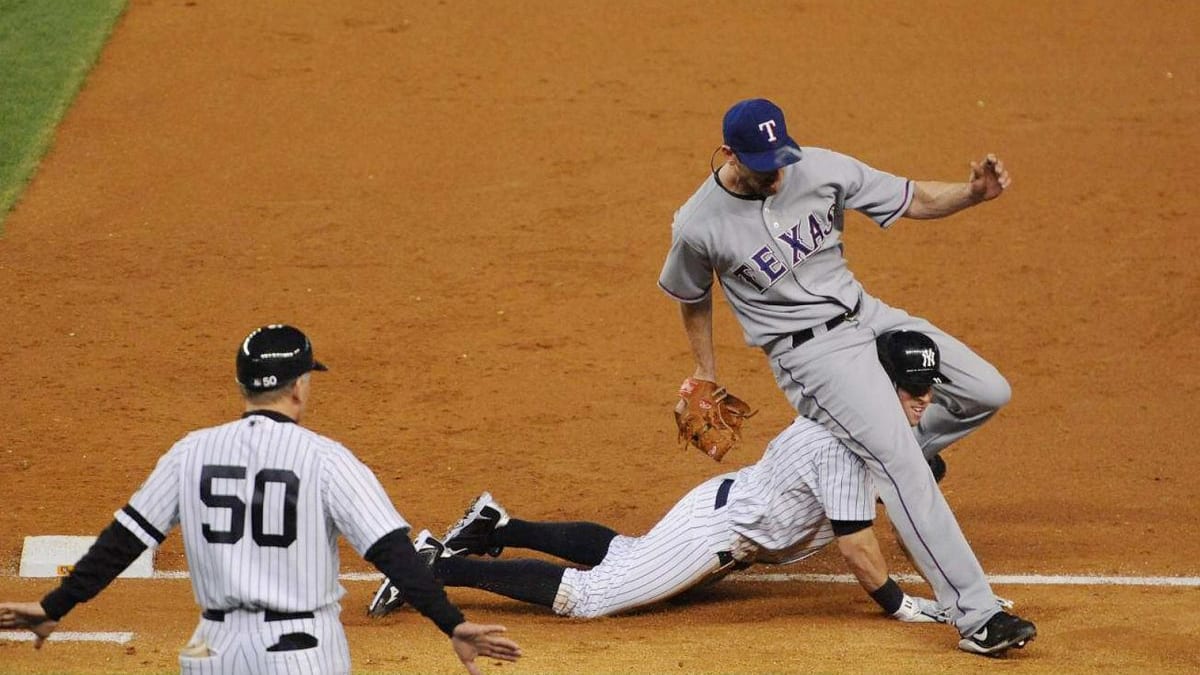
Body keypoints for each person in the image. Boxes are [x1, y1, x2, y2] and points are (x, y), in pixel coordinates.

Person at [369, 331, 1032, 655]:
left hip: (722, 503)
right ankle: (435, 564)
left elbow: (906, 475)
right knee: (593, 596)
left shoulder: (860, 414)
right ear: (881, 386)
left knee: (623, 549)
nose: (923, 405)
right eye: (912, 394)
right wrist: (901, 607)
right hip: (715, 535)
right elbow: (860, 552)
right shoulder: (841, 440)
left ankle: (497, 526)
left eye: (927, 393)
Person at [655, 97, 1036, 653]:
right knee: (901, 466)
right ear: (729, 154)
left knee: (985, 390)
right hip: (811, 357)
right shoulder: (698, 224)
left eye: (781, 157)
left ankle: (889, 452)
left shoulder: (820, 168)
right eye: (763, 164)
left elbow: (914, 197)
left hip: (869, 316)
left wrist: (971, 193)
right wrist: (704, 370)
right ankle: (976, 615)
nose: (776, 172)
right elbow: (692, 297)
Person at [0, 324, 522, 674]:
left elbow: (124, 540)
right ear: (298, 387)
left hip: (211, 650)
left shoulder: (191, 452)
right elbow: (393, 554)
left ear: (242, 385)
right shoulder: (327, 459)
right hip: (301, 652)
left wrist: (54, 607)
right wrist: (452, 623)